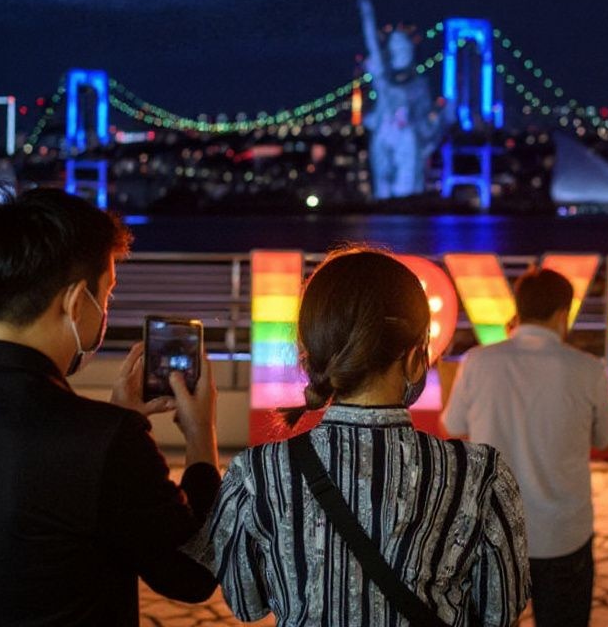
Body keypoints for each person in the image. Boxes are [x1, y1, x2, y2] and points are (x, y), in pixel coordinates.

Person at [0, 188, 219, 626]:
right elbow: (193, 575)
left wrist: (109, 428)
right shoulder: (106, 444)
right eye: (106, 295)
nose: (105, 311)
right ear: (73, 302)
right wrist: (201, 437)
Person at [188, 247, 530, 625]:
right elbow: (501, 611)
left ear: (308, 354)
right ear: (418, 358)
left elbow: (246, 602)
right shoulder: (479, 476)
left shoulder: (257, 474)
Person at [442, 267, 608, 627]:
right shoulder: (587, 368)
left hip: (493, 534)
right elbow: (605, 438)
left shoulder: (479, 362)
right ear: (562, 314)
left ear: (518, 309)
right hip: (564, 533)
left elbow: (453, 425)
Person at [356, 0, 450, 199]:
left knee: (406, 187)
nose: (401, 53)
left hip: (405, 134)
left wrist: (438, 118)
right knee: (383, 188)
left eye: (404, 49)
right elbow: (369, 34)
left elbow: (425, 119)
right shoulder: (382, 74)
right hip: (384, 131)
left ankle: (403, 214)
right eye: (397, 49)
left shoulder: (418, 84)